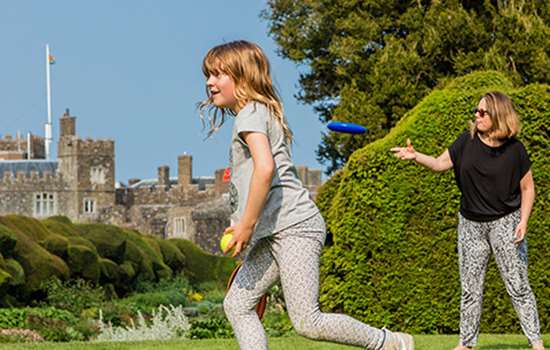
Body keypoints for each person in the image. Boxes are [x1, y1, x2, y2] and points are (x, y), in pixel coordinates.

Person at [199, 40, 414, 350]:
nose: (210, 83)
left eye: (218, 75)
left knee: (307, 321)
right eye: (208, 75)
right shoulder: (256, 113)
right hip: (276, 232)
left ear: (242, 78)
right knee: (237, 305)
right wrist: (245, 224)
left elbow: (264, 168)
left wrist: (246, 225)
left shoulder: (249, 115)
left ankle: (390, 343)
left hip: (295, 227)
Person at [391, 91, 544, 350]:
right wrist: (415, 156)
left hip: (506, 222)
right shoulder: (466, 141)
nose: (477, 115)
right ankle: (466, 344)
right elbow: (440, 163)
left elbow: (528, 189)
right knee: (470, 289)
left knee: (518, 285)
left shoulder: (515, 150)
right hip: (471, 225)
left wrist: (523, 221)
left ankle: (536, 342)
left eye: (483, 112)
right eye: (477, 110)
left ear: (498, 115)